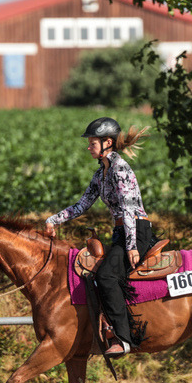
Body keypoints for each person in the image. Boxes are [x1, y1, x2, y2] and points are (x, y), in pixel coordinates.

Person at [45, 117, 154, 356]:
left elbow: (128, 210)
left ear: (108, 143)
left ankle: (123, 339)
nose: (88, 147)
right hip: (122, 231)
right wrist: (53, 220)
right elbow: (82, 205)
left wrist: (132, 246)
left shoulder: (120, 169)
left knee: (106, 276)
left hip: (136, 230)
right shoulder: (100, 174)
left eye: (92, 143)